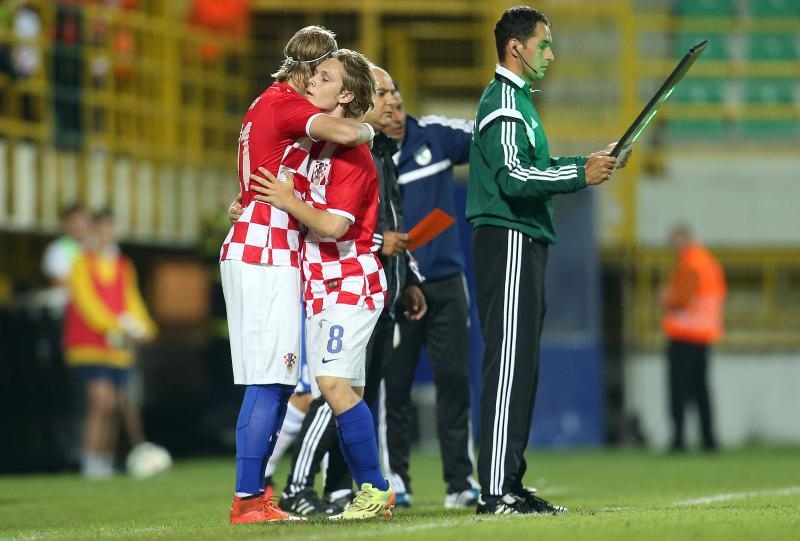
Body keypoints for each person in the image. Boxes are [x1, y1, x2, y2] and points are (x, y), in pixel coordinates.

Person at [238, 66, 426, 518]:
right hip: (321, 285)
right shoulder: (317, 150)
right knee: (347, 393)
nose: (310, 84)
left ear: (344, 97)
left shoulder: (352, 159)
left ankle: (374, 488)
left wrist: (288, 202)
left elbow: (336, 225)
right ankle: (372, 491)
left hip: (350, 281)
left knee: (332, 386)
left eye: (323, 78)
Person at [467, 6, 624, 515]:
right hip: (510, 240)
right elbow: (515, 178)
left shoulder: (518, 104)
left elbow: (533, 166)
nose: (551, 54)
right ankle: (495, 490)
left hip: (523, 241)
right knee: (510, 366)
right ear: (517, 47)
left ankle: (508, 484)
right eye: (544, 43)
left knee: (522, 367)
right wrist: (582, 178)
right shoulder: (506, 105)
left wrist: (586, 164)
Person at [219, 25, 377, 525]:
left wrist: (246, 202)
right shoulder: (285, 102)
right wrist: (373, 125)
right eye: (317, 73)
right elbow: (350, 132)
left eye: (325, 78)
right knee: (269, 380)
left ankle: (257, 496)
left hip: (270, 249)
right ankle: (248, 501)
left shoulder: (271, 107)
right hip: (265, 252)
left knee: (282, 381)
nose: (314, 84)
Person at [381, 90, 480, 509]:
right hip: (396, 284)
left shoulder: (434, 136)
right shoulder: (364, 155)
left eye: (399, 103)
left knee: (454, 381)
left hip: (444, 281)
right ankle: (395, 480)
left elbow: (487, 133)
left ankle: (460, 481)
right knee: (395, 387)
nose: (396, 112)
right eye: (385, 106)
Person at [63, 209, 157, 478]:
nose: (107, 235)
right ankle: (90, 460)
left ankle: (103, 460)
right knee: (101, 401)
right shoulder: (82, 263)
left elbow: (132, 300)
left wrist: (146, 327)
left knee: (116, 405)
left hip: (117, 349)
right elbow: (88, 303)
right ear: (93, 233)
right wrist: (117, 327)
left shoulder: (123, 264)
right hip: (88, 345)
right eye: (102, 229)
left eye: (110, 229)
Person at [660, 224, 726, 452]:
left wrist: (666, 297)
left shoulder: (690, 263)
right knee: (701, 390)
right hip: (703, 336)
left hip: (684, 336)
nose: (672, 246)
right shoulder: (707, 261)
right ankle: (709, 440)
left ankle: (678, 440)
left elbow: (681, 300)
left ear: (684, 239)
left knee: (678, 391)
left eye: (674, 240)